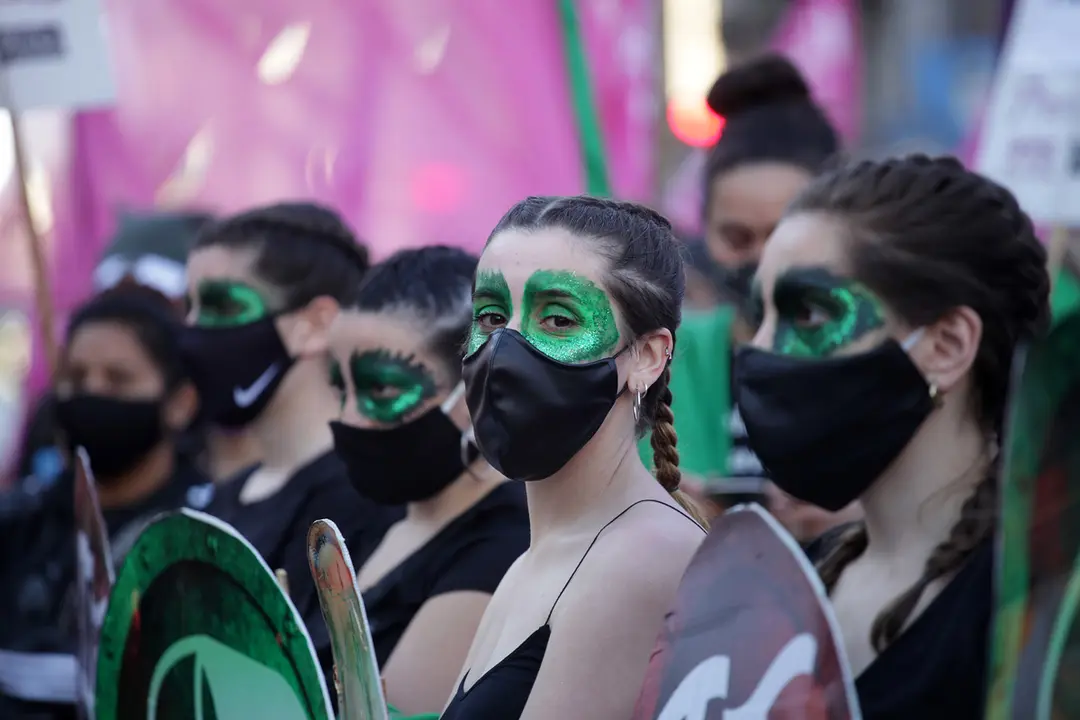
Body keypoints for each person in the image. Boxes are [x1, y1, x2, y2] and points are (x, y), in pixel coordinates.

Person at [733, 154, 1050, 716]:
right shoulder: (788, 581)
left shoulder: (1034, 609)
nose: (758, 349)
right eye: (760, 314)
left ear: (947, 345)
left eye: (806, 315)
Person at [440, 196, 707, 720]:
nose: (504, 346)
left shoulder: (639, 556)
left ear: (648, 356)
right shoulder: (537, 557)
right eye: (492, 315)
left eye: (559, 320)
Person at [640, 54, 849, 522]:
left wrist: (862, 520)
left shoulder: (878, 352)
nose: (762, 260)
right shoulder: (661, 358)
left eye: (784, 235)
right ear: (705, 229)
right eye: (738, 238)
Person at [183, 202, 402, 646]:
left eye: (221, 306)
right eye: (189, 307)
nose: (191, 331)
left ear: (316, 324)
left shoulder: (369, 499)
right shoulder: (227, 496)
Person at [324, 245, 529, 715]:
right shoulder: (369, 516)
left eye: (382, 389)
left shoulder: (503, 544)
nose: (350, 418)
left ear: (478, 382)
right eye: (342, 389)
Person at [0, 286, 213, 719]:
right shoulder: (19, 521)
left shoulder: (205, 535)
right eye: (77, 379)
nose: (93, 392)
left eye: (118, 380)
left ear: (180, 403)